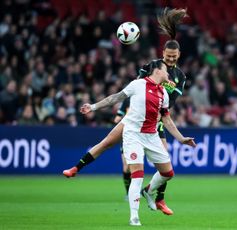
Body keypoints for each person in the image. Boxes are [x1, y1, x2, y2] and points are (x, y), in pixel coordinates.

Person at [63, 7, 188, 215]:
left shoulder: (180, 77)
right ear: (163, 53)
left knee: (165, 162)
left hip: (156, 121)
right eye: (168, 56)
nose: (171, 59)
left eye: (174, 56)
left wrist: (163, 121)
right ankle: (75, 168)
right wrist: (122, 112)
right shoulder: (153, 66)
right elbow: (131, 91)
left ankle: (159, 198)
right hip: (134, 118)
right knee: (106, 143)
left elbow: (169, 103)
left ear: (179, 55)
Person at [79, 61, 196, 226]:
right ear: (156, 71)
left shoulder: (164, 92)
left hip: (151, 135)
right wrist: (93, 106)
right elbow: (115, 98)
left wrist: (181, 138)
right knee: (136, 174)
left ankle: (148, 192)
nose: (168, 74)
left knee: (168, 173)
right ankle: (134, 217)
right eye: (165, 70)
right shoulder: (137, 84)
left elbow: (167, 120)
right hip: (133, 133)